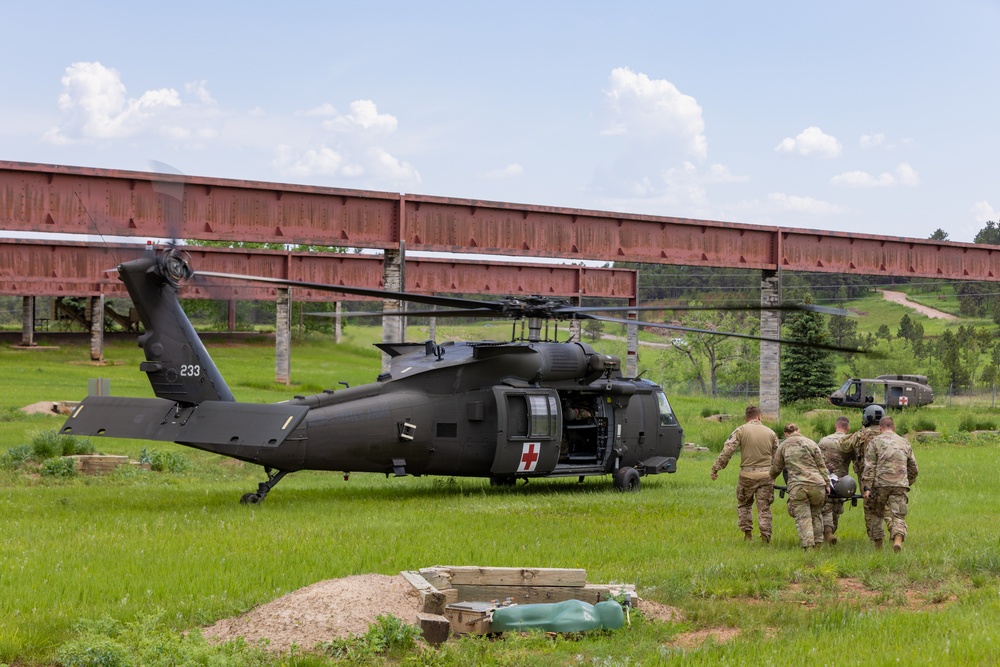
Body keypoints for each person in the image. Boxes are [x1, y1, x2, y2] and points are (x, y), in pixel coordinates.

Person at [710, 405, 779, 543]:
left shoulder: (740, 430)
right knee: (764, 508)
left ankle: (747, 535)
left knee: (744, 505)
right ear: (760, 417)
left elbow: (727, 451)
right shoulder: (771, 433)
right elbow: (778, 457)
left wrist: (716, 468)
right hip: (766, 475)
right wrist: (775, 473)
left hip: (747, 475)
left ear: (746, 418)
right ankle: (766, 538)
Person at [862, 415, 919, 552]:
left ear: (880, 428)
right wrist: (907, 481)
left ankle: (878, 546)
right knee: (898, 515)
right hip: (900, 484)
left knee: (876, 513)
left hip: (880, 485)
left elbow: (869, 467)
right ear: (894, 428)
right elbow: (913, 467)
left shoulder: (875, 442)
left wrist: (867, 488)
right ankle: (898, 539)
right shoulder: (904, 442)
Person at [770, 423, 830, 550]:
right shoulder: (811, 443)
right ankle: (818, 544)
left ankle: (808, 548)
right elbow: (821, 465)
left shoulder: (784, 445)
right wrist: (827, 484)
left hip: (798, 486)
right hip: (817, 485)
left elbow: (776, 467)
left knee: (803, 517)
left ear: (786, 434)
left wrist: (772, 478)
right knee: (816, 514)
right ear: (798, 430)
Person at [838, 405, 884, 544]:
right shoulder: (887, 434)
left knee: (870, 507)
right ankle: (896, 535)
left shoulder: (860, 435)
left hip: (866, 476)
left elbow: (843, 445)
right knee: (888, 506)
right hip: (885, 476)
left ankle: (876, 540)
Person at [817, 416, 851, 545]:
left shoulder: (824, 441)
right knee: (836, 507)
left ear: (836, 426)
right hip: (842, 482)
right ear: (848, 428)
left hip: (825, 479)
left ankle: (827, 531)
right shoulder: (848, 442)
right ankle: (830, 531)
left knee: (826, 506)